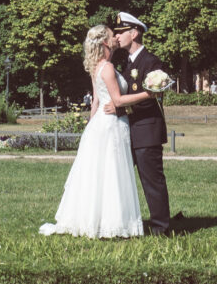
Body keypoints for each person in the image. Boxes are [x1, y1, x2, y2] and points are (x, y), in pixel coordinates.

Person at [39, 25, 148, 238]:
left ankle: (96, 221)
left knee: (100, 174)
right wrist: (148, 94)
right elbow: (116, 100)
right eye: (111, 35)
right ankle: (112, 223)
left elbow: (96, 102)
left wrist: (90, 128)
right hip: (112, 125)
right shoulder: (107, 67)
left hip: (101, 125)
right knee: (113, 173)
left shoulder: (96, 66)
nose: (116, 37)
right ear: (105, 42)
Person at [106, 12, 172, 236]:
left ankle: (160, 228)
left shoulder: (151, 61)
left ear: (134, 33)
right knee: (119, 178)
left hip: (146, 130)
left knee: (151, 181)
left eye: (120, 33)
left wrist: (121, 107)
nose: (116, 37)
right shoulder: (125, 62)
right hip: (128, 130)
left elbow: (153, 97)